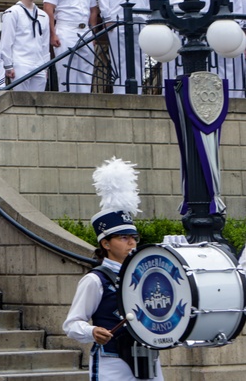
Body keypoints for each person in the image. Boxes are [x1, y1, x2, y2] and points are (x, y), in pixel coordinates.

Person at [63, 158, 162, 380]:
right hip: (112, 360)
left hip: (148, 357)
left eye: (134, 237)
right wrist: (91, 332)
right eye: (123, 238)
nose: (131, 243)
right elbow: (71, 324)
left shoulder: (144, 275)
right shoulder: (95, 280)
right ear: (106, 244)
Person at [44, 0, 98, 93]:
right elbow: (49, 8)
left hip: (85, 30)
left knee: (86, 71)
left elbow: (93, 9)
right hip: (66, 29)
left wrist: (93, 32)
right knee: (66, 70)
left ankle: (84, 105)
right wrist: (53, 33)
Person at [0, 0, 51, 92]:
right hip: (21, 61)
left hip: (39, 63)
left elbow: (45, 43)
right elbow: (7, 41)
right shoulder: (13, 12)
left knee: (38, 100)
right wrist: (8, 65)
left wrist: (45, 66)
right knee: (21, 100)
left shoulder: (43, 15)